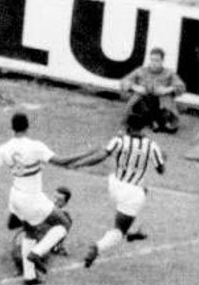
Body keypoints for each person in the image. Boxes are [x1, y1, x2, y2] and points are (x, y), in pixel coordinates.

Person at [0, 113, 86, 284]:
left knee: (30, 231)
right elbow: (62, 162)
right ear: (28, 126)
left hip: (15, 197)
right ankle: (37, 253)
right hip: (32, 197)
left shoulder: (4, 148)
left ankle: (30, 277)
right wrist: (85, 153)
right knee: (64, 222)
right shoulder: (35, 146)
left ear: (12, 127)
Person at [70, 113, 165, 268]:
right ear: (145, 127)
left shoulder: (119, 139)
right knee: (119, 231)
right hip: (131, 194)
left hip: (114, 185)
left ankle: (134, 229)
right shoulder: (152, 146)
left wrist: (80, 164)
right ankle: (98, 247)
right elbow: (161, 170)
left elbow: (101, 156)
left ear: (128, 126)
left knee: (143, 189)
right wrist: (162, 159)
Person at [120, 48, 185, 133]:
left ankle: (155, 121)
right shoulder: (141, 71)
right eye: (152, 60)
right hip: (142, 103)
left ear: (162, 61)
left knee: (171, 125)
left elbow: (181, 87)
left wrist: (167, 89)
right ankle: (152, 121)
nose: (154, 63)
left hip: (160, 104)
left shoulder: (169, 73)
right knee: (140, 99)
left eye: (157, 60)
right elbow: (124, 81)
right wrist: (135, 87)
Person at [10, 187, 72, 275]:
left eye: (59, 200)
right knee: (19, 251)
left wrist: (58, 246)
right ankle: (25, 264)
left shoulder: (64, 217)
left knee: (37, 252)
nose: (55, 201)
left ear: (65, 203)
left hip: (38, 241)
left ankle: (27, 265)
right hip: (27, 237)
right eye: (54, 197)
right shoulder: (41, 206)